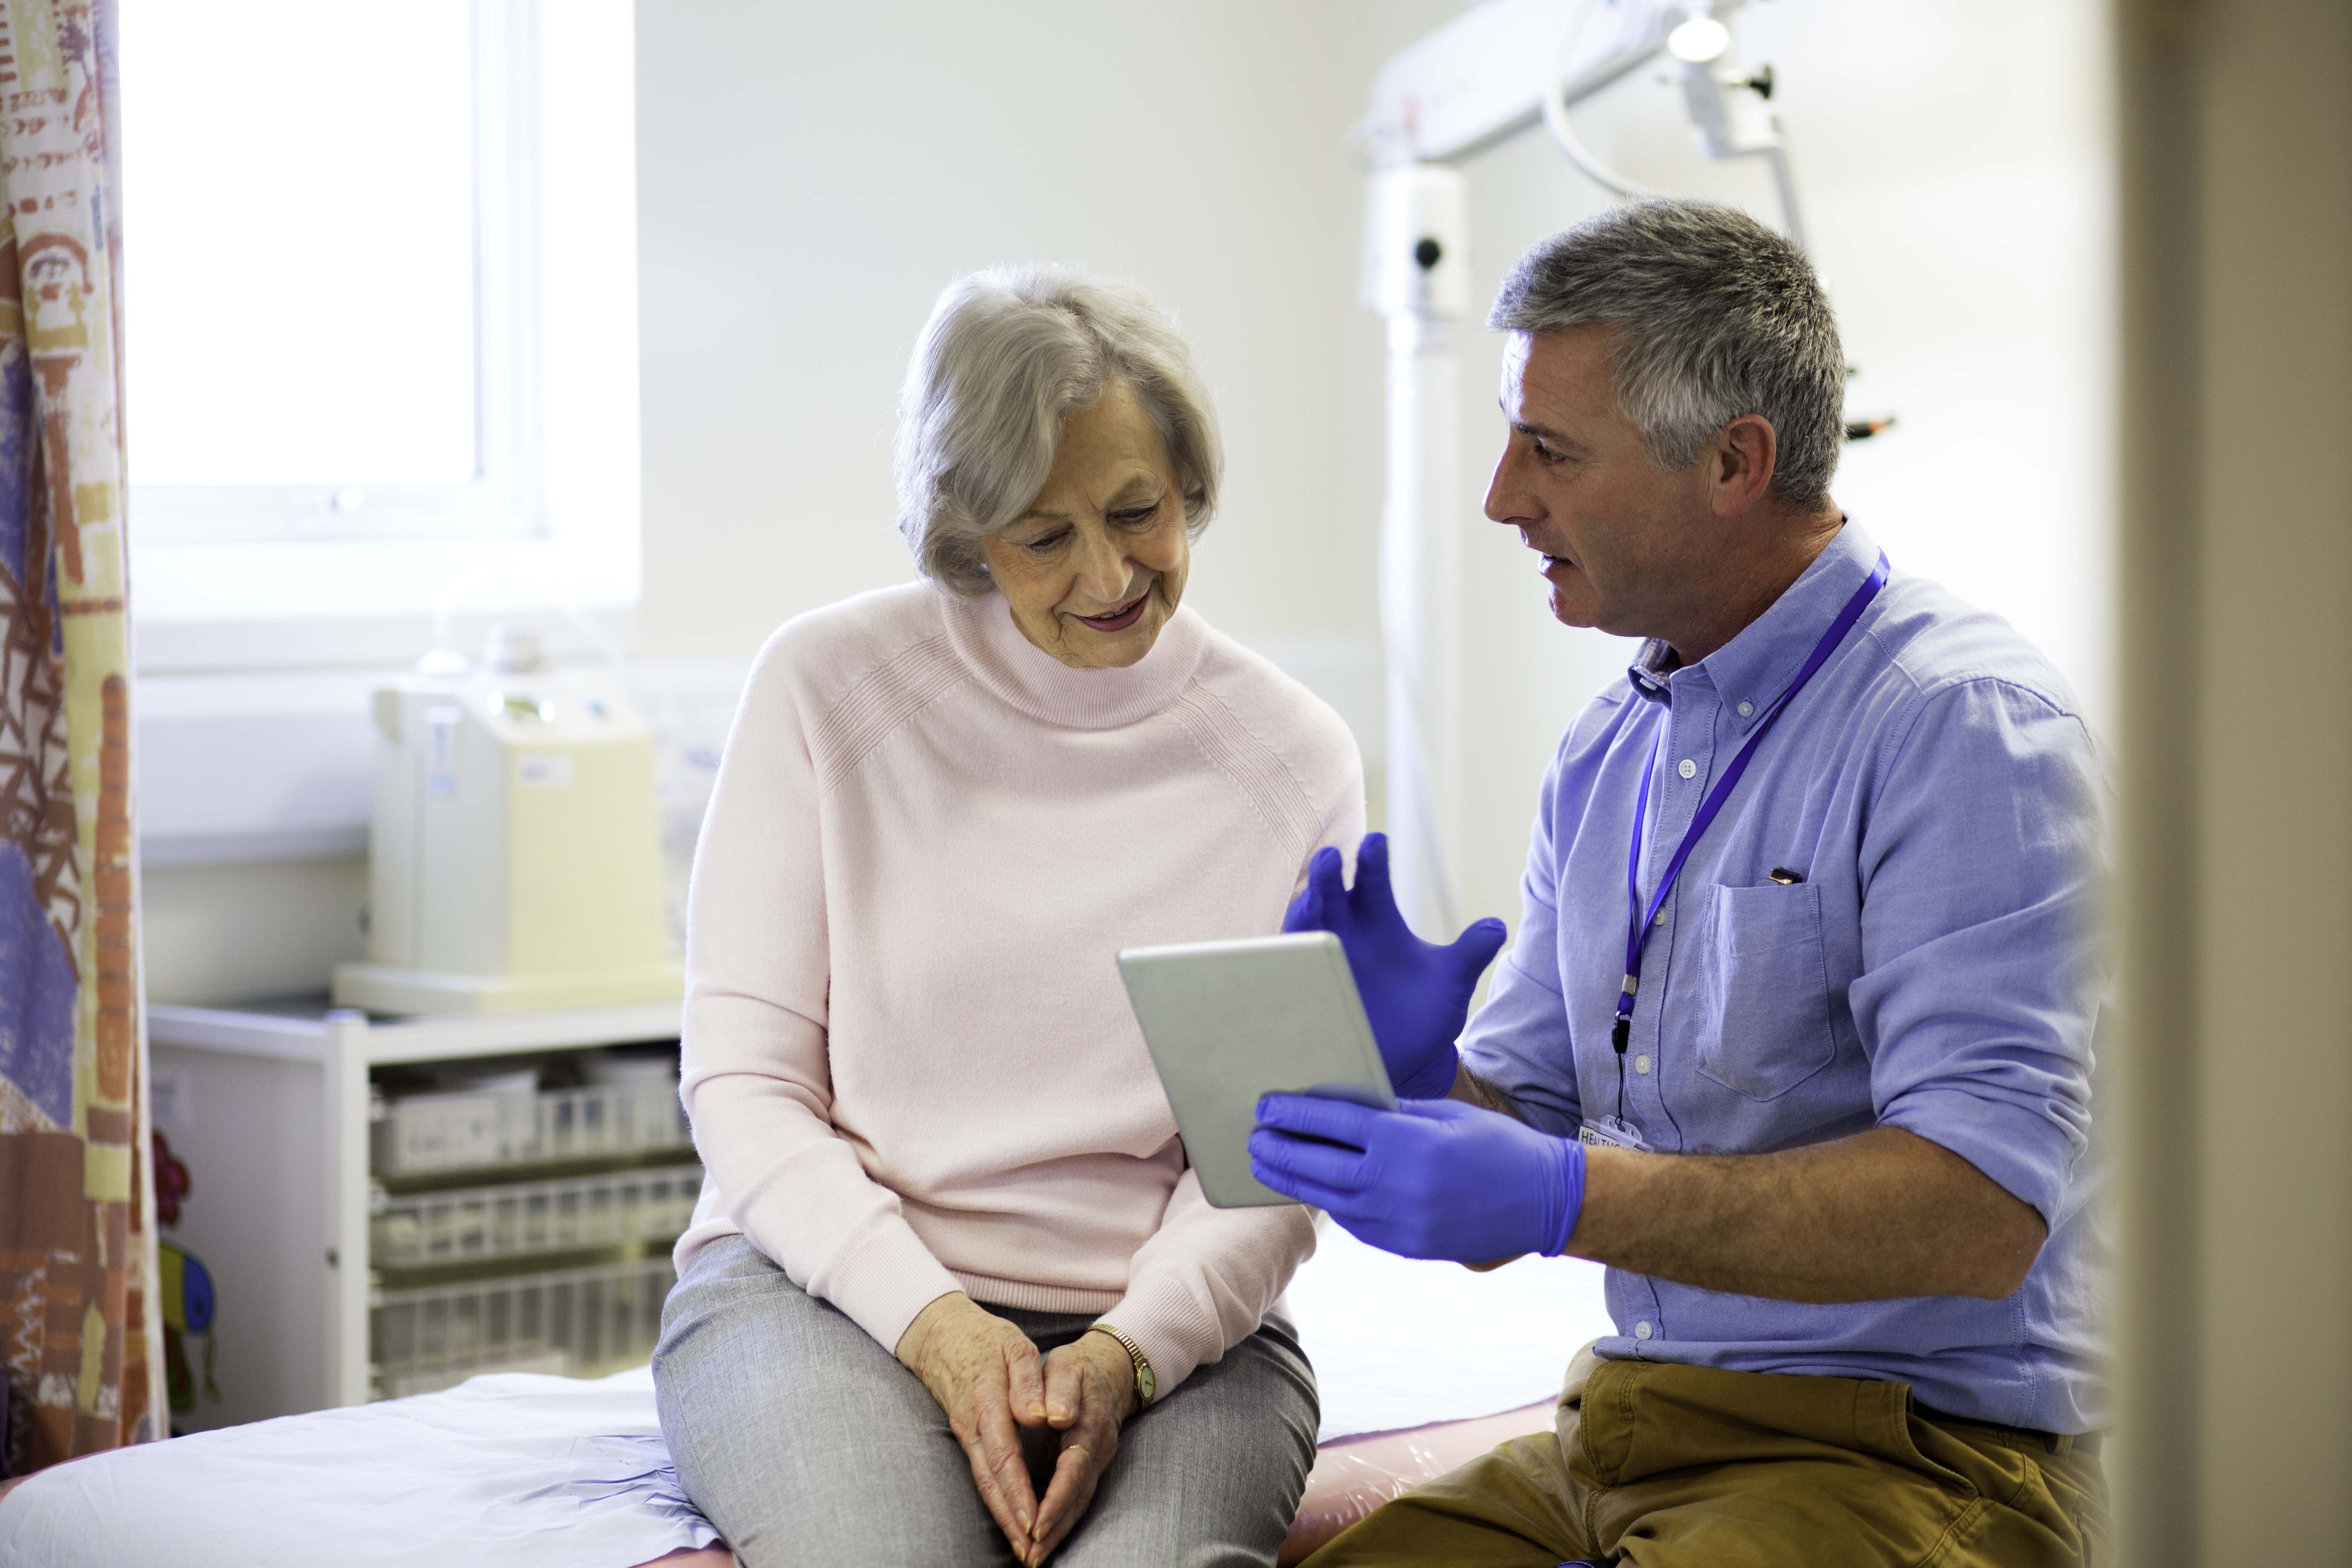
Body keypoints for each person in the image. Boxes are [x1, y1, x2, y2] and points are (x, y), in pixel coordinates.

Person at [1250, 199, 2108, 1566]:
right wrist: (1417, 1079)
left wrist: (1563, 1197)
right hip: (1630, 1424)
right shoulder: (1608, 753)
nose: (1501, 498)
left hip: (1913, 1449)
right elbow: (1517, 1149)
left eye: (1550, 451)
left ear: (1733, 461)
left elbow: (1980, 1211)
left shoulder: (1962, 727)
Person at [656, 266, 1363, 1568]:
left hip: (1171, 1336)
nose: (1110, 576)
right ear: (967, 530)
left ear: (1186, 485)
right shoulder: (828, 690)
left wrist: (1127, 1355)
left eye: (1139, 512)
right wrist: (936, 1324)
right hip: (829, 1298)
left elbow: (1269, 1159)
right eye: (1044, 538)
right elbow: (745, 1084)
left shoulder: (1290, 756)